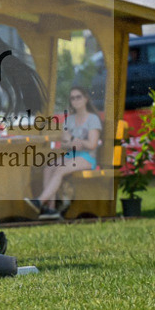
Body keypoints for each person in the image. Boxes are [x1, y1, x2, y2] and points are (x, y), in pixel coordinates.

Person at [26, 86, 102, 220]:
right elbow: (65, 142)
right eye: (72, 98)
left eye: (78, 97)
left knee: (60, 169)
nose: (75, 100)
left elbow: (92, 144)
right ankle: (51, 209)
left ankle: (40, 201)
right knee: (49, 168)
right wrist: (72, 143)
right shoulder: (70, 120)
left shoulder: (93, 119)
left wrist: (75, 140)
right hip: (71, 155)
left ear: (85, 98)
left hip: (87, 157)